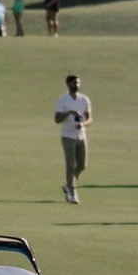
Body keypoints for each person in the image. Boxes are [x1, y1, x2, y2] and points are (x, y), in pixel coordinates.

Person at [53, 73, 91, 202]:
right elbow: (57, 119)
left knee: (82, 165)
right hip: (67, 136)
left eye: (79, 83)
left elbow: (89, 117)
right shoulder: (62, 100)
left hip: (81, 136)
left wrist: (83, 123)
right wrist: (69, 112)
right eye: (75, 83)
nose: (77, 85)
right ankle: (72, 192)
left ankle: (68, 185)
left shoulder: (84, 99)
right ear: (68, 84)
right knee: (70, 165)